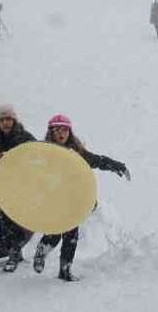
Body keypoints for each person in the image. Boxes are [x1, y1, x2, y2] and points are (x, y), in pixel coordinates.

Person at [31, 114, 130, 282]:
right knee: (54, 233)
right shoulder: (44, 152)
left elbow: (98, 161)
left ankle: (65, 270)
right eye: (57, 130)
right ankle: (41, 252)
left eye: (64, 130)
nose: (61, 133)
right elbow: (28, 166)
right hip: (53, 200)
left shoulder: (77, 152)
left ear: (69, 132)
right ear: (51, 132)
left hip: (72, 200)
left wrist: (117, 166)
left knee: (71, 236)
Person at [0, 103, 36, 271]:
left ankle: (15, 251)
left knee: (19, 221)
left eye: (8, 119)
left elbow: (36, 160)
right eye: (2, 120)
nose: (6, 123)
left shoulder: (26, 138)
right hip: (2, 188)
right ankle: (13, 252)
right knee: (7, 222)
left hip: (22, 186)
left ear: (14, 120)